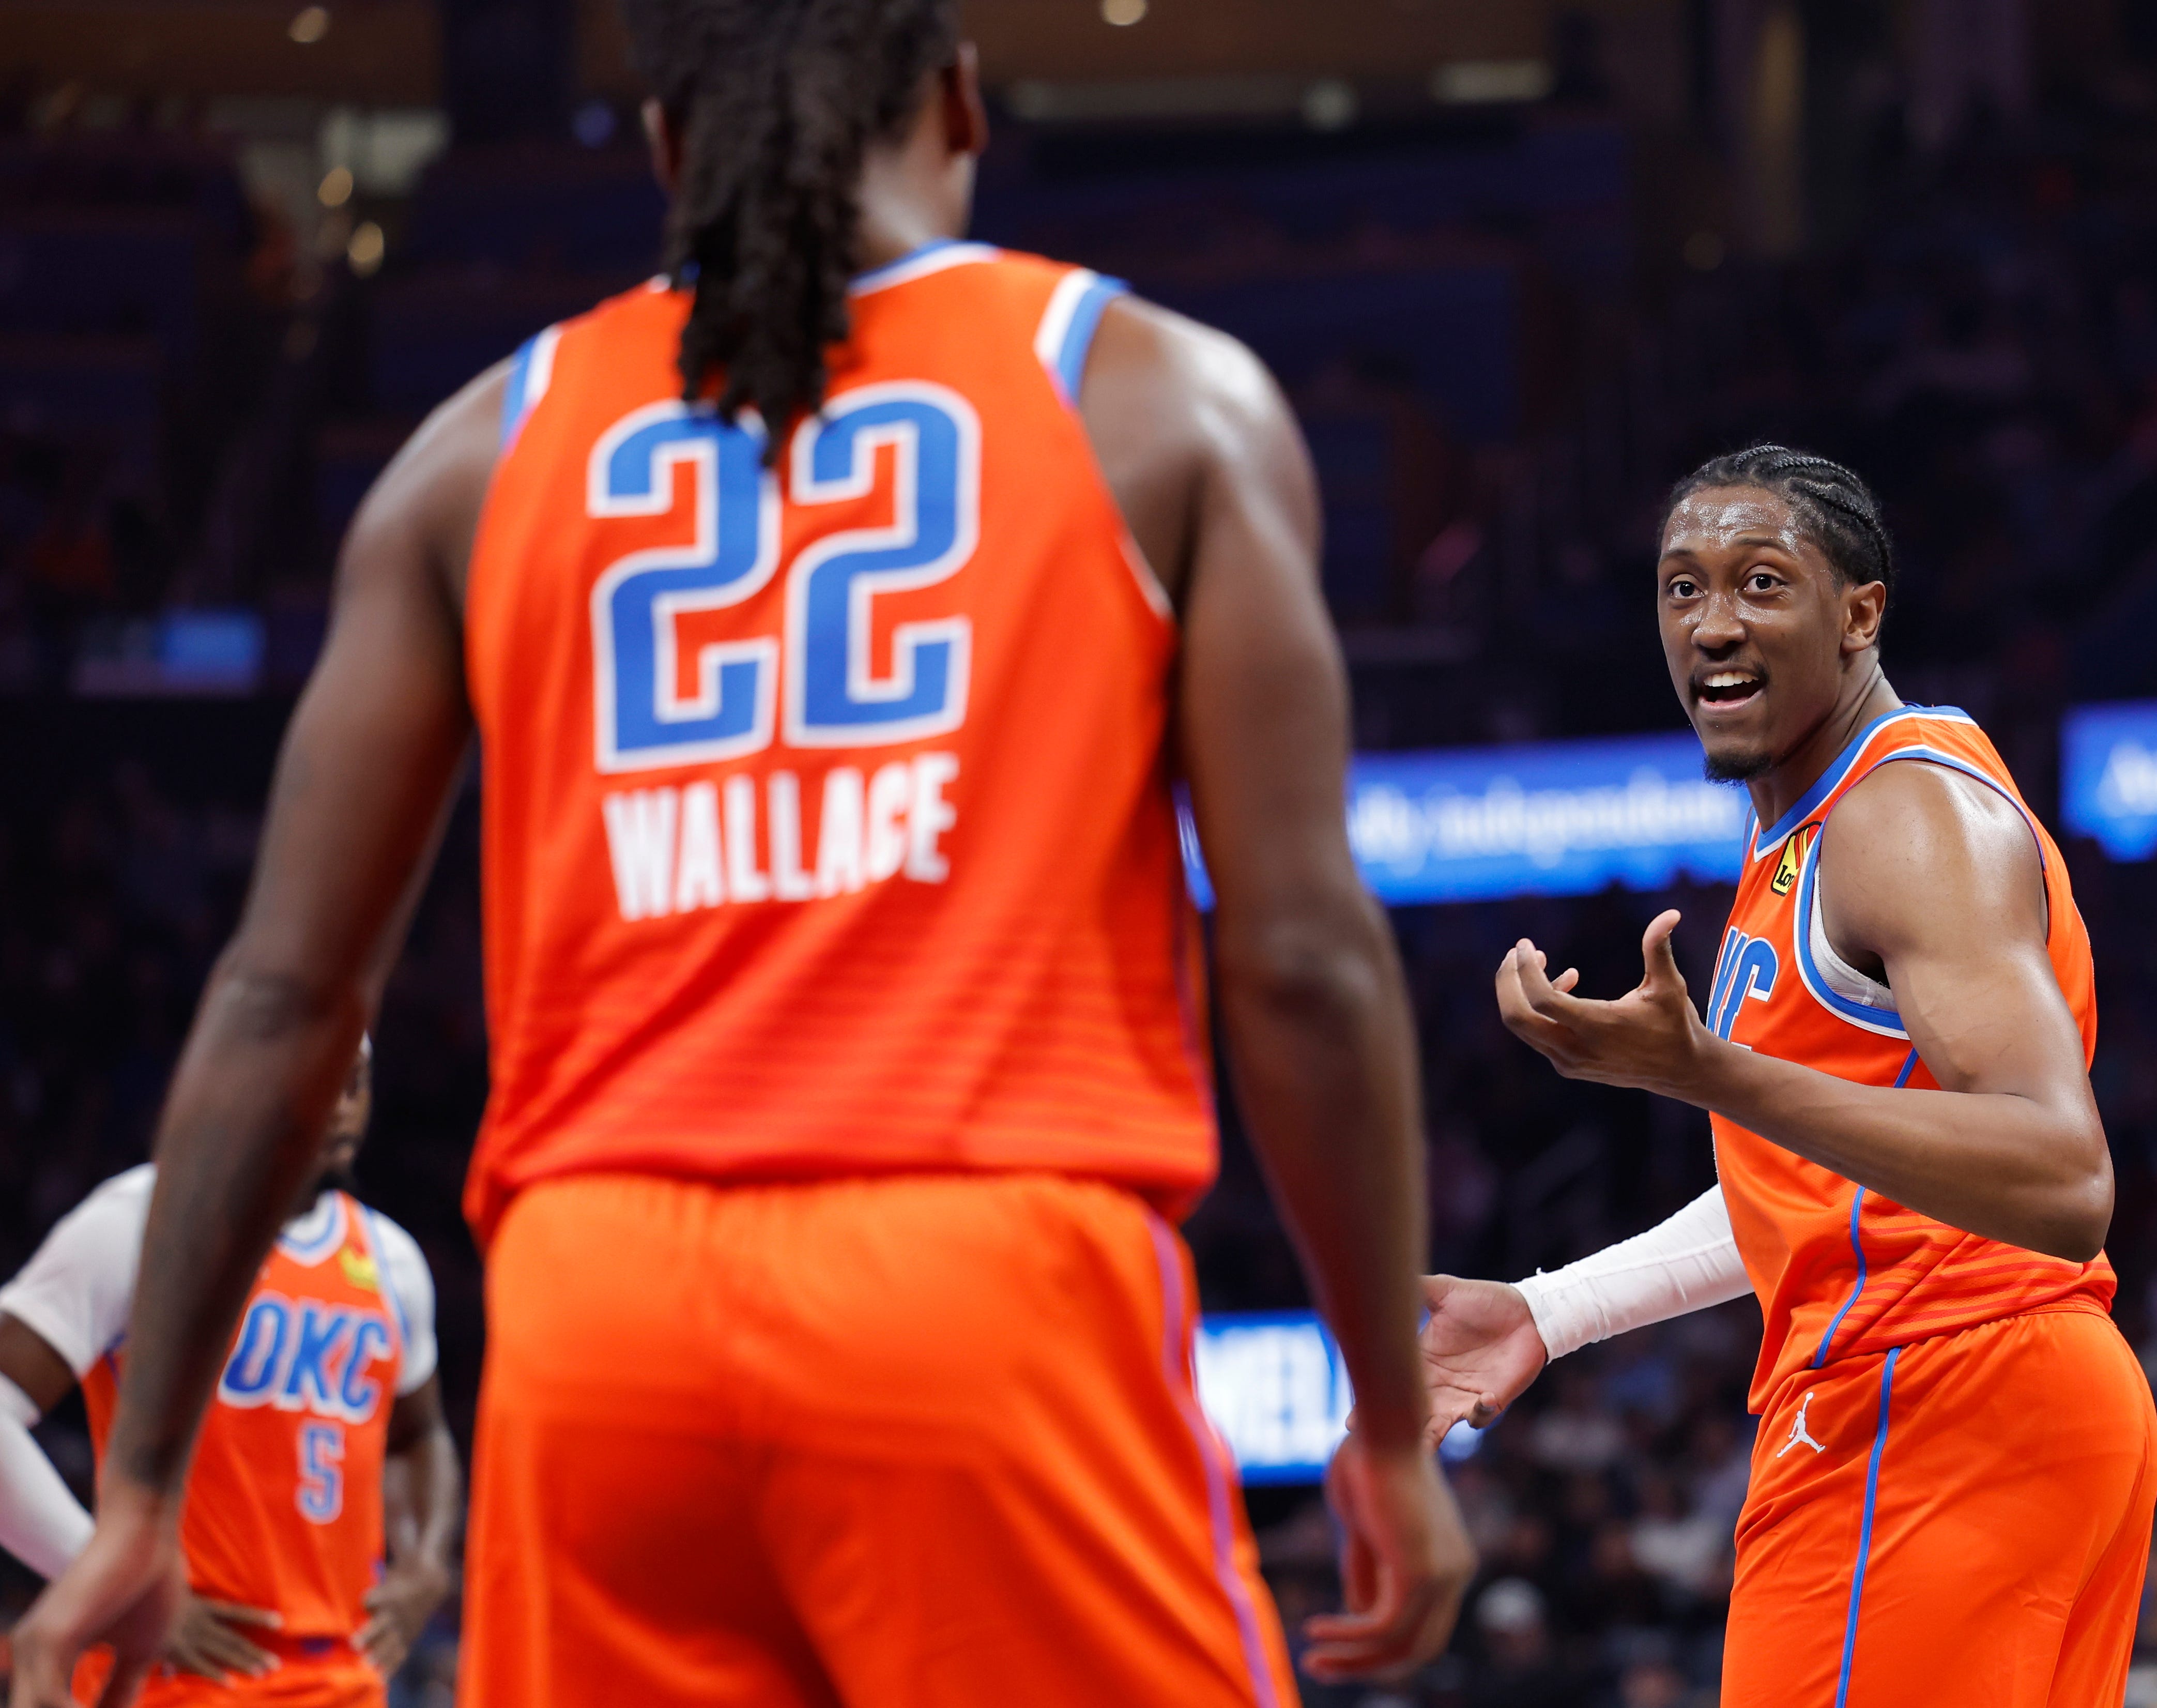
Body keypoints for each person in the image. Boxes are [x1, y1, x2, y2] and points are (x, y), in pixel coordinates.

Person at [5, 6, 1473, 1706]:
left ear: (661, 148)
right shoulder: (1155, 395)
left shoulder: (475, 451)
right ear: (958, 104)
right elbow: (1298, 956)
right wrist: (1380, 1415)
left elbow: (279, 995)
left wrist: (137, 1488)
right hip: (984, 1276)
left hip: (590, 1310)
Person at [1405, 446, 2157, 1705]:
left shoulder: (1901, 818)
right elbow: (1823, 1187)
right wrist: (1553, 1310)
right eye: (1679, 589)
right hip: (1998, 1397)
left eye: (1761, 583)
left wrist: (1710, 1076)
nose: (1712, 625)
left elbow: (2060, 1168)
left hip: (1931, 1399)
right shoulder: (1809, 833)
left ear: (1859, 611)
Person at [0, 1042, 456, 1706]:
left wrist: (425, 1566)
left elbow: (422, 1438)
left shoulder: (393, 1260)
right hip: (175, 1676)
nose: (339, 1107)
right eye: (316, 1074)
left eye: (355, 1082)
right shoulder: (142, 1219)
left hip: (345, 1680)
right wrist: (103, 1580)